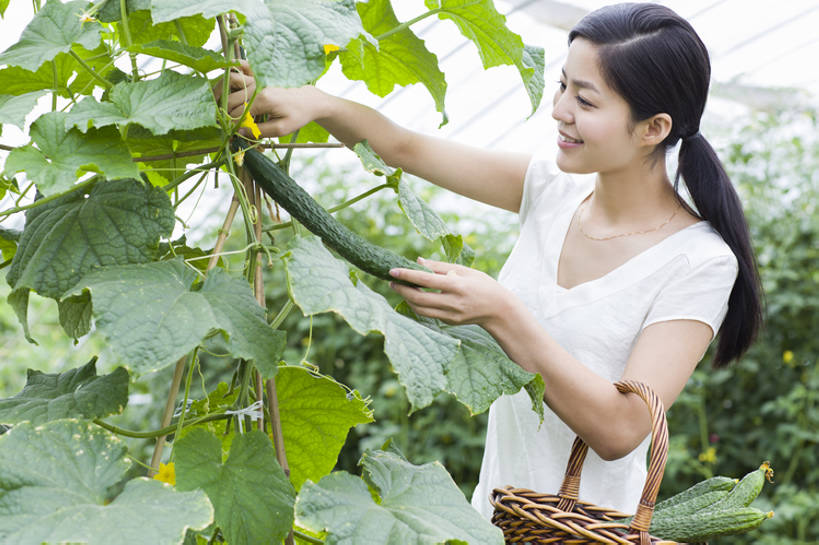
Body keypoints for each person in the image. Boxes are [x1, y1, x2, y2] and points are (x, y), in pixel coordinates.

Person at [219, 2, 762, 520]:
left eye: (587, 102)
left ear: (654, 128)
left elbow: (622, 430)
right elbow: (406, 149)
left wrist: (501, 312)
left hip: (581, 534)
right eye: (562, 86)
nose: (560, 111)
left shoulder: (699, 262)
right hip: (495, 520)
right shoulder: (551, 190)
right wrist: (319, 103)